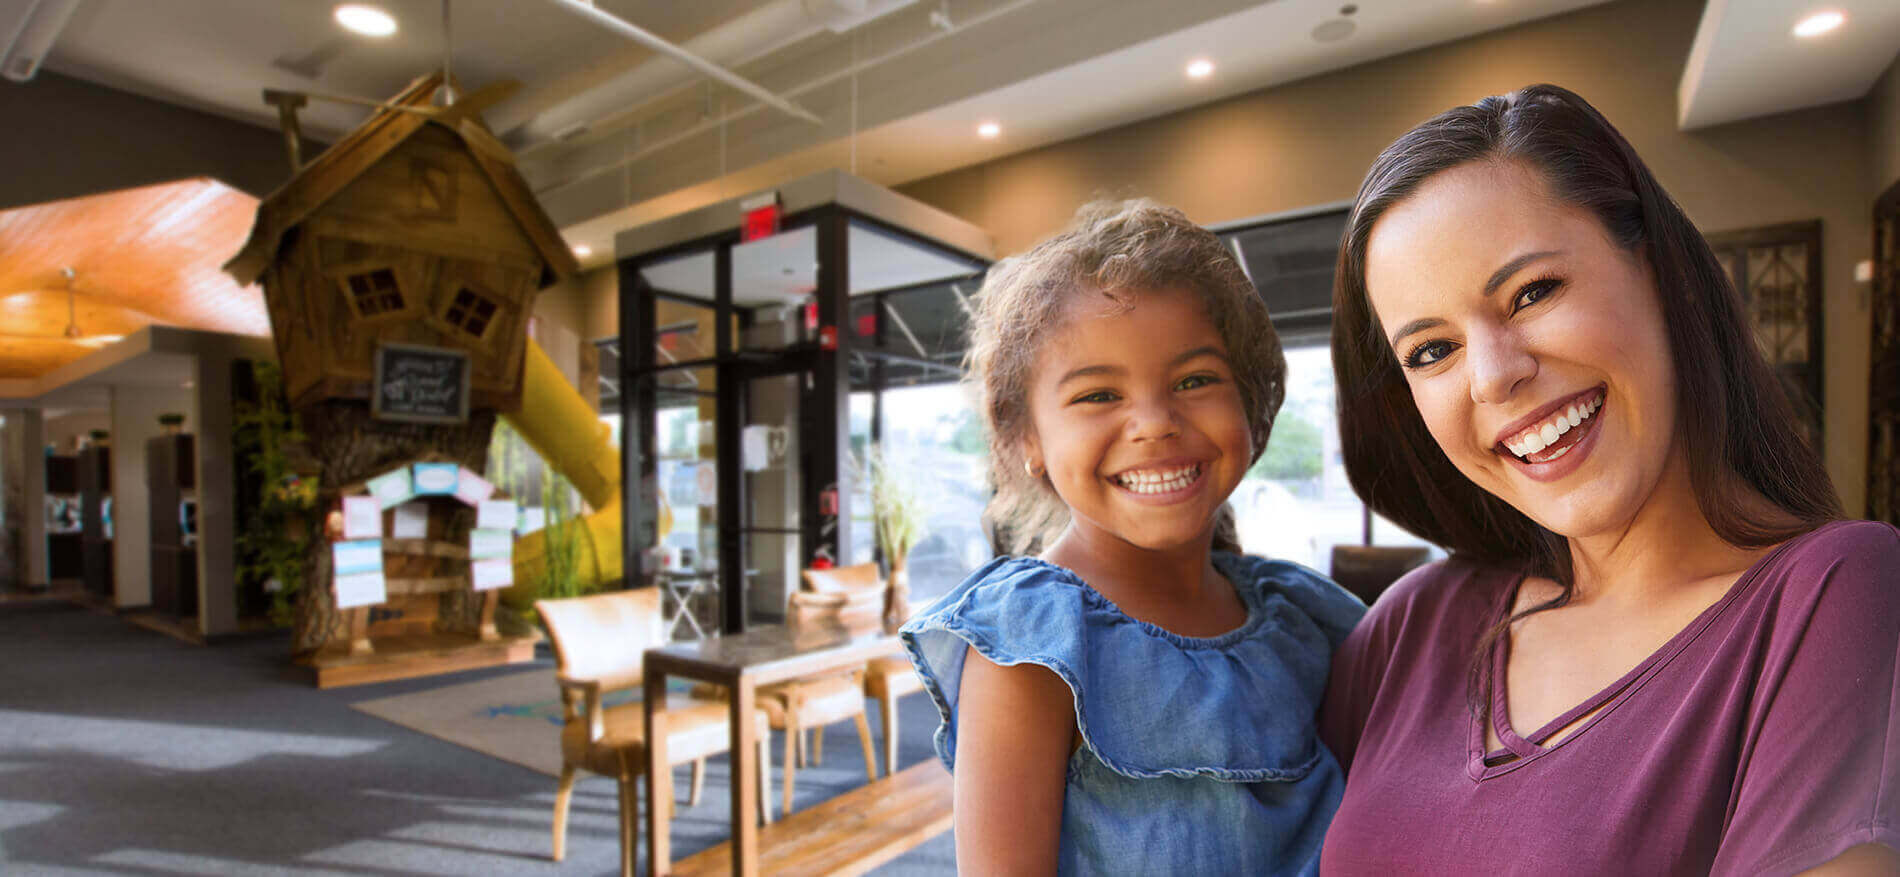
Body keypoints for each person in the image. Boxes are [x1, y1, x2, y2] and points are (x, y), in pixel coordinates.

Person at [1321, 83, 1900, 875]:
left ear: (1666, 276)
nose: (1493, 377)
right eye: (1431, 350)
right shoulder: (1412, 625)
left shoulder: (1834, 592)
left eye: (1533, 292)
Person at [902, 200, 1365, 874]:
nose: (1154, 422)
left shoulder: (1304, 617)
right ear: (1027, 439)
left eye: (1196, 379)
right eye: (1097, 395)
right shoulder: (1033, 641)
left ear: (1251, 403)